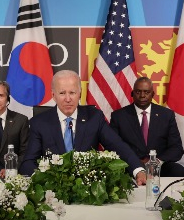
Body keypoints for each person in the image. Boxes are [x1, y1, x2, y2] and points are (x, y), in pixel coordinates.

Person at [19, 70, 147, 185]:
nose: (68, 99)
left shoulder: (94, 118)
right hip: (53, 190)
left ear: (80, 94)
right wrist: (47, 179)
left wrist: (138, 170)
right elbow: (28, 163)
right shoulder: (39, 123)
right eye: (62, 93)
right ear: (53, 95)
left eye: (72, 93)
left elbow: (118, 146)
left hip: (87, 187)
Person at [110, 77, 184, 177]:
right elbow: (113, 147)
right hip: (130, 166)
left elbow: (177, 148)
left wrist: (156, 161)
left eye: (146, 92)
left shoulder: (166, 115)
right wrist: (135, 161)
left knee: (178, 171)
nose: (142, 96)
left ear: (153, 94)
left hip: (160, 165)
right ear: (132, 93)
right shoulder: (119, 116)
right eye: (138, 92)